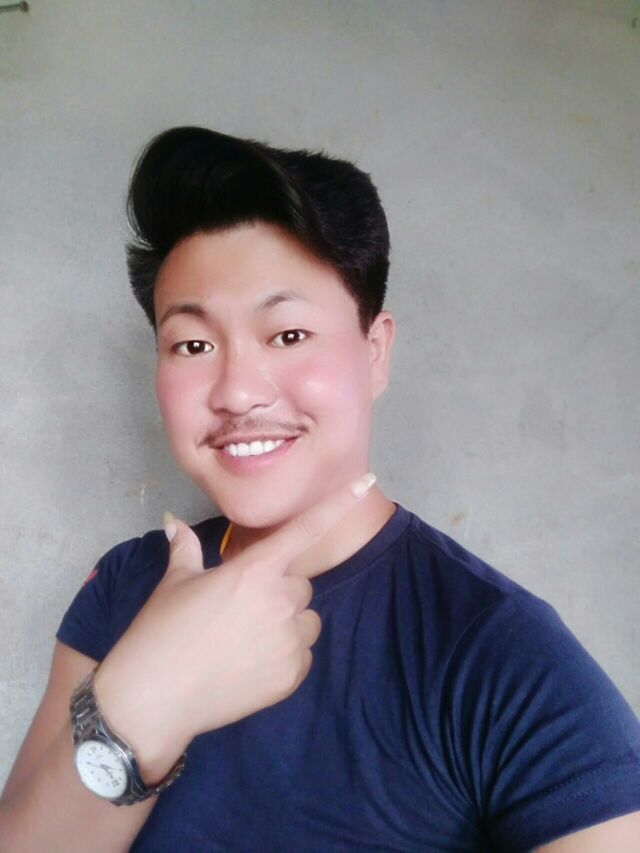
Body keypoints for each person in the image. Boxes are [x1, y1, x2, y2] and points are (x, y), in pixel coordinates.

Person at [1, 127, 639, 852]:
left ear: (375, 351)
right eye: (193, 345)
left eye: (288, 335)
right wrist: (141, 710)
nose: (237, 391)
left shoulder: (497, 650)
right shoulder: (126, 583)